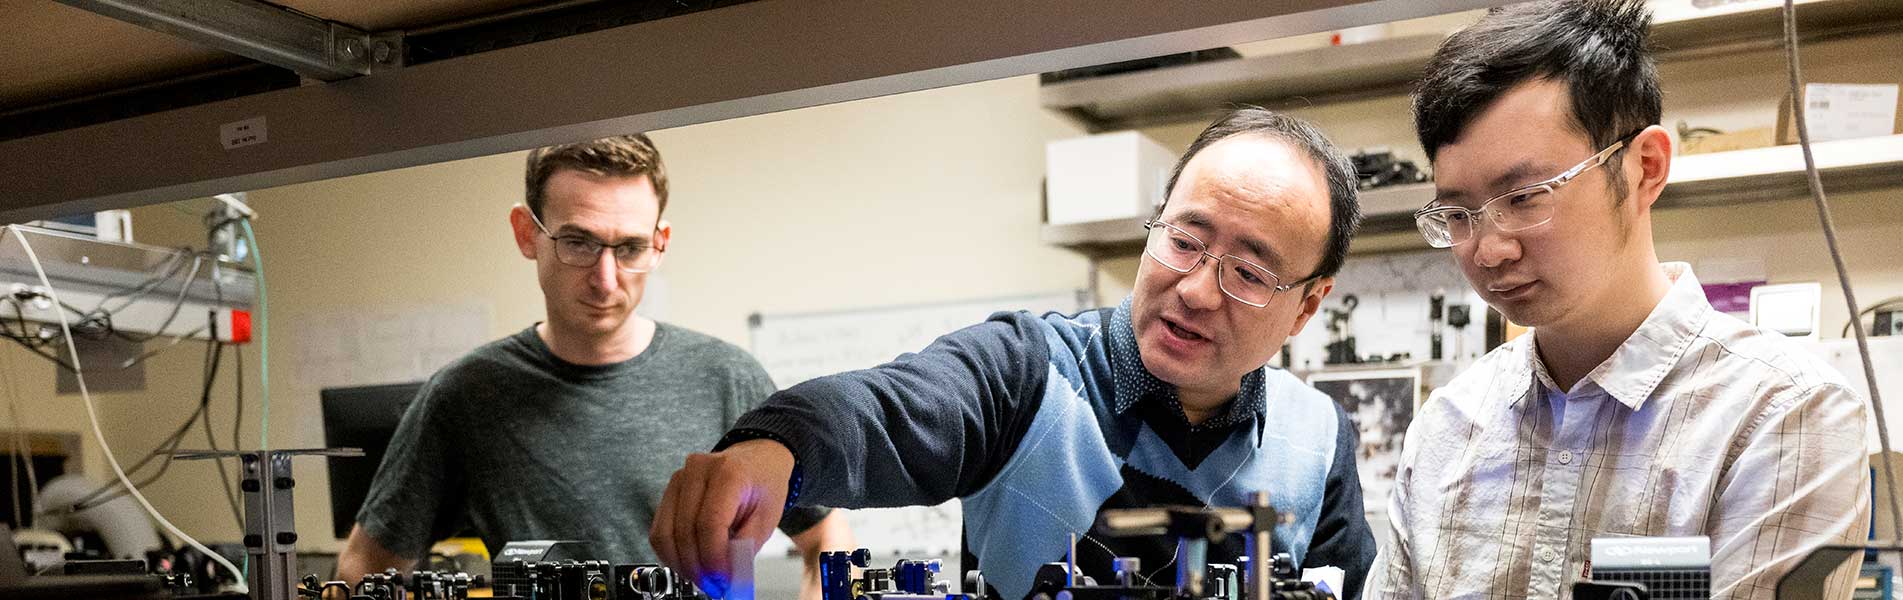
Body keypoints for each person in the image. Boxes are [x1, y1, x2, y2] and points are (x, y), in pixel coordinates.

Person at [651, 108, 1378, 600]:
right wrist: (771, 450)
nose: (1192, 289)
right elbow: (888, 407)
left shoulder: (1315, 436)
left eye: (1247, 274)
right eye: (1182, 241)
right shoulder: (1030, 371)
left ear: (1307, 305)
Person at [1369, 2, 1870, 599]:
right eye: (1457, 215)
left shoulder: (1782, 415)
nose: (1489, 250)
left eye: (1526, 197)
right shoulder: (1450, 425)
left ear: (1645, 168)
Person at [336, 134, 852, 598]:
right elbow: (364, 568)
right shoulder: (466, 396)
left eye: (629, 247)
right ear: (526, 234)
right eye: (577, 243)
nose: (606, 280)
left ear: (660, 243)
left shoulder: (728, 380)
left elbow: (827, 534)